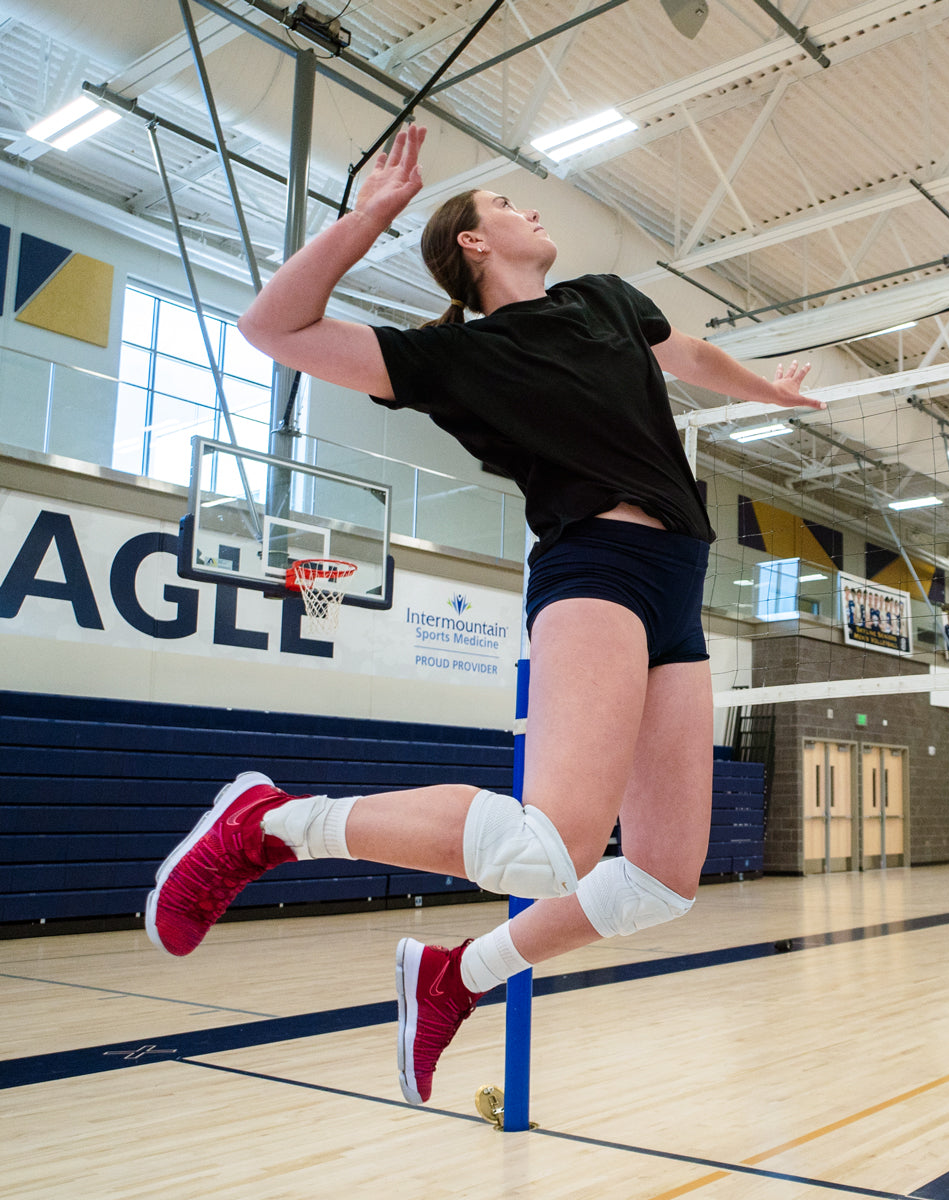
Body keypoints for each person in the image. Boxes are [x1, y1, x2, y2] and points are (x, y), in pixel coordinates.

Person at [145, 124, 821, 1106]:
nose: (531, 208)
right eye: (508, 203)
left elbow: (693, 355)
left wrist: (770, 390)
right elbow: (273, 330)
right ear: (470, 241)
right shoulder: (453, 359)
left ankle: (456, 975)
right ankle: (275, 823)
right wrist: (370, 215)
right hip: (597, 566)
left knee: (661, 881)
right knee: (549, 849)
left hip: (678, 575)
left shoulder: (606, 300)